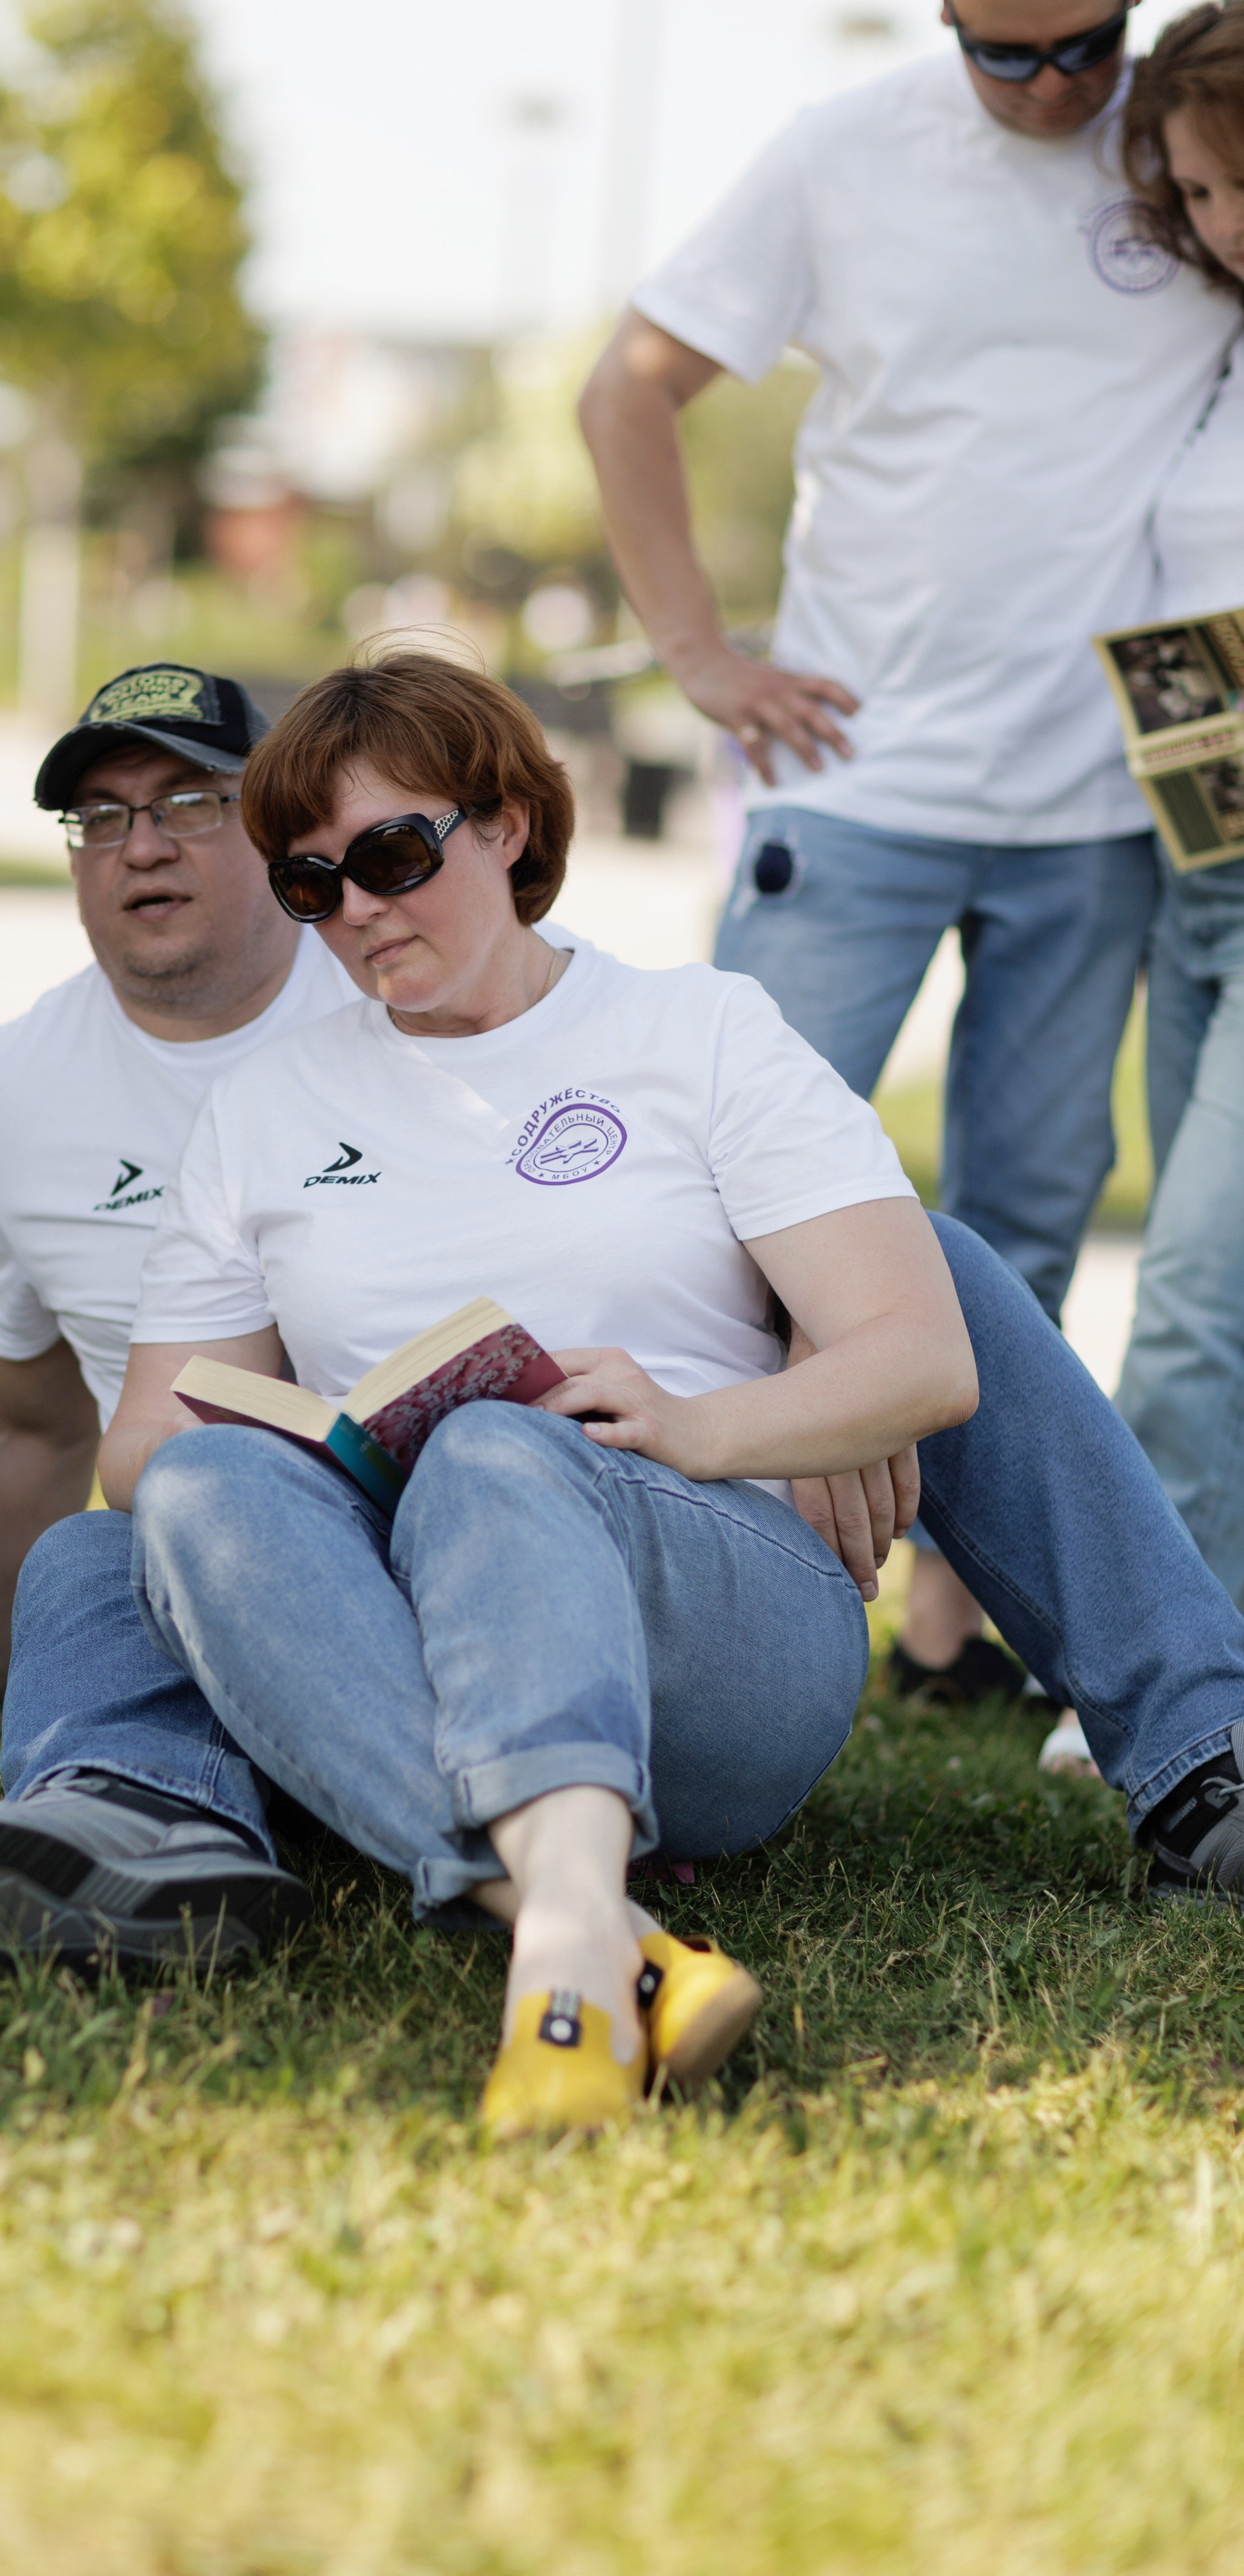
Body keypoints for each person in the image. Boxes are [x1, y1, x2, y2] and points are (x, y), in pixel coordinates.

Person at [0, 658, 1244, 2133]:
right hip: (397, 1616)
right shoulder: (263, 1112)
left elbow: (925, 1356)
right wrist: (320, 1461)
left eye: (393, 855)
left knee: (503, 1450)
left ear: (508, 823)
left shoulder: (694, 1033)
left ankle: (1195, 1748)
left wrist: (701, 1422)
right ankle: (556, 1926)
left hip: (710, 1629)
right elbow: (137, 1440)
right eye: (315, 882)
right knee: (152, 1513)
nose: (362, 910)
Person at [578, 0, 1239, 1718]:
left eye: (1076, 46)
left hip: (1096, 812)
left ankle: (954, 1624)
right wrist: (697, 653)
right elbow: (627, 386)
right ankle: (642, 1569)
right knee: (708, 1205)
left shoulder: (1188, 155)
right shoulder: (839, 152)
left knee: (1015, 1222)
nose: (1044, 89)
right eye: (997, 53)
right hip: (855, 789)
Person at [0, 663, 357, 1715]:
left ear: (277, 824)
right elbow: (25, 1412)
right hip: (195, 1564)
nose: (143, 845)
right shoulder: (18, 1084)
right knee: (93, 1565)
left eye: (189, 802)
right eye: (100, 817)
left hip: (427, 1524)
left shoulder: (404, 990)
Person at [1111, 7, 1244, 1599]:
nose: (1218, 228)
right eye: (1193, 195)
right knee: (1208, 1268)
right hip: (1188, 850)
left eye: (1237, 188)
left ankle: (1164, 1680)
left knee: (1193, 1285)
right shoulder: (1208, 343)